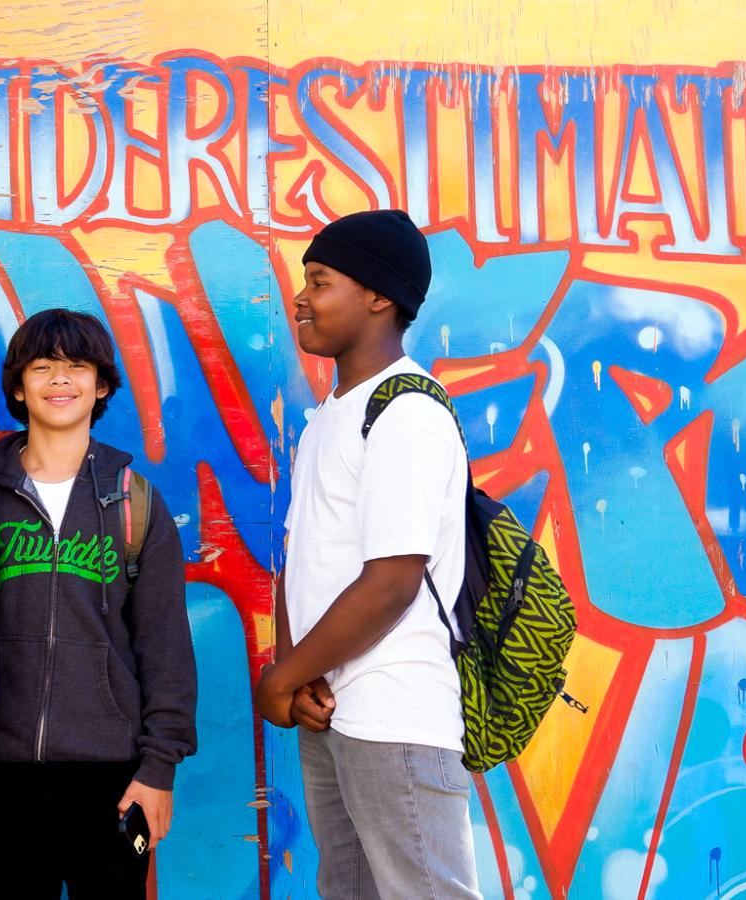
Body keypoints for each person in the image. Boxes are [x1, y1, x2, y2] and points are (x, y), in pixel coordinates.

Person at [253, 209, 479, 898]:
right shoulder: (333, 414)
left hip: (395, 715)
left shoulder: (406, 413)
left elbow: (392, 582)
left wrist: (282, 678)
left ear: (379, 297)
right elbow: (306, 559)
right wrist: (303, 679)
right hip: (335, 707)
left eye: (320, 282)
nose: (300, 297)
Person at [0, 309, 198, 898]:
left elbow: (165, 649)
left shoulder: (135, 504)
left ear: (101, 384)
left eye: (76, 367)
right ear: (19, 386)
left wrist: (158, 769)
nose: (59, 380)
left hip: (113, 774)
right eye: (43, 366)